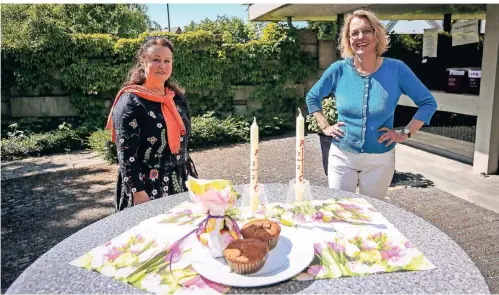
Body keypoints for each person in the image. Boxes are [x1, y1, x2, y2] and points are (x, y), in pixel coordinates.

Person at [306, 9, 437, 198]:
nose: (360, 37)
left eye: (366, 31)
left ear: (377, 35)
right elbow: (312, 97)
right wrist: (325, 126)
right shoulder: (339, 70)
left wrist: (405, 133)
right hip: (342, 155)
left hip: (380, 160)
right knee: (340, 210)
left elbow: (428, 103)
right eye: (354, 33)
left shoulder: (397, 69)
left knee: (373, 212)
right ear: (348, 40)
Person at [106, 36, 198, 211]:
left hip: (178, 181)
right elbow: (126, 154)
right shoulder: (131, 101)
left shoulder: (176, 99)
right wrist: (137, 191)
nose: (162, 66)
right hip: (146, 186)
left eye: (167, 61)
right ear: (143, 61)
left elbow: (183, 143)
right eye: (156, 60)